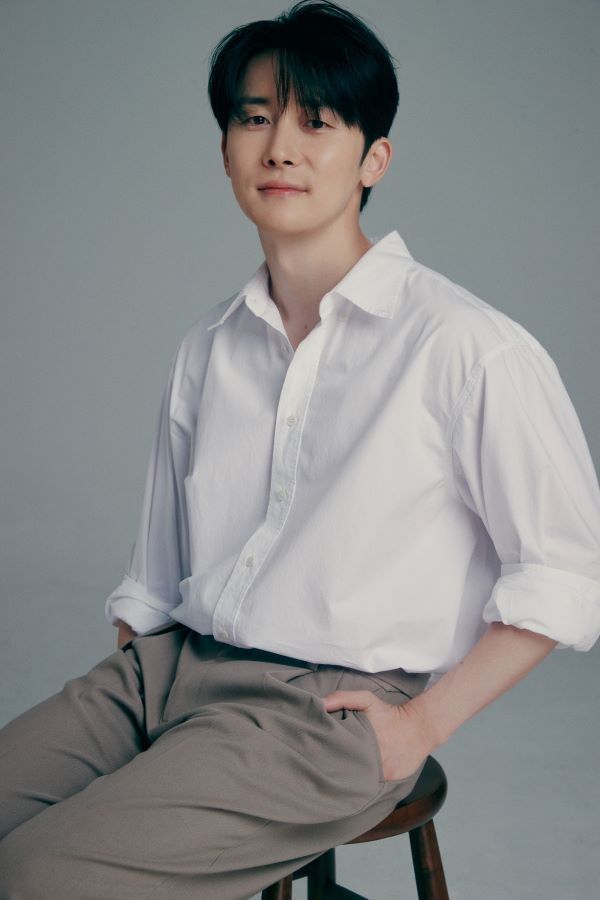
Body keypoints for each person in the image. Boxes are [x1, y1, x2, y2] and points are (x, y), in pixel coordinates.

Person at [1, 0, 599, 896]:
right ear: (226, 151)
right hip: (170, 669)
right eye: (254, 119)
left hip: (326, 710)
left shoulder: (467, 347)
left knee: (38, 873)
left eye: (316, 122)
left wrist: (422, 724)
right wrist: (140, 672)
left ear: (373, 159)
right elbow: (156, 574)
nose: (279, 147)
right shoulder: (209, 346)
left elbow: (567, 572)